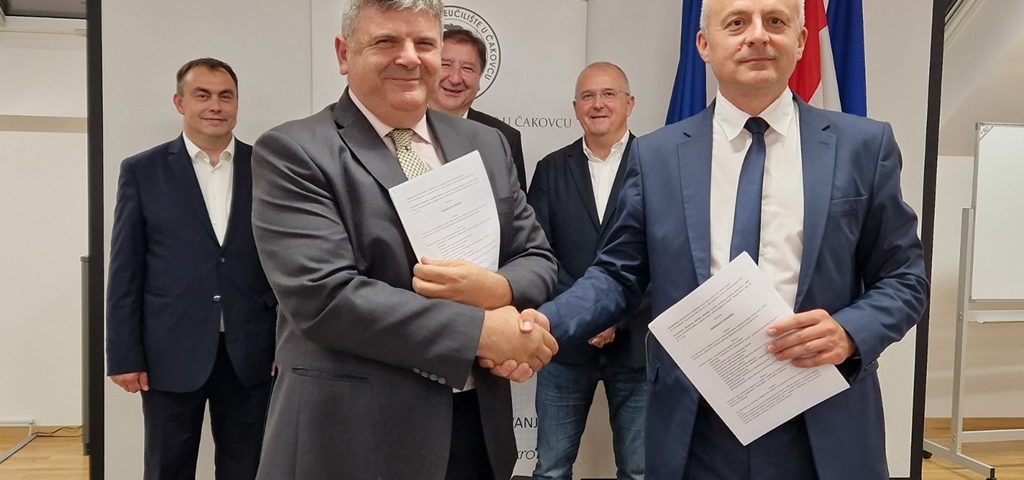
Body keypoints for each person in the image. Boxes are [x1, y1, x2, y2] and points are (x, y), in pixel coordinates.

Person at [526, 0, 929, 478]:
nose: (757, 35)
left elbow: (904, 278)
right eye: (736, 23)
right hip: (695, 428)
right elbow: (618, 275)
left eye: (775, 21)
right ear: (704, 44)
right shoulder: (656, 157)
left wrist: (849, 332)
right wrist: (544, 322)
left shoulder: (863, 146)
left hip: (823, 419)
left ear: (801, 40)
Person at [248, 1, 559, 479]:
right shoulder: (294, 152)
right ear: (344, 54)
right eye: (386, 41)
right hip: (353, 440)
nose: (409, 57)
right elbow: (326, 297)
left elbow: (535, 255)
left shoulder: (485, 143)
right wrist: (482, 332)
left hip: (475, 432)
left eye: (424, 43)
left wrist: (497, 290)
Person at [106, 57, 277, 480]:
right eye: (203, 95)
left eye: (225, 96)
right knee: (167, 467)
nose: (215, 106)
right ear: (180, 102)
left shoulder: (269, 168)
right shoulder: (142, 171)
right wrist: (123, 355)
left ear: (236, 104)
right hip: (169, 351)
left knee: (248, 467)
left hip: (252, 352)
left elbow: (284, 263)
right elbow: (125, 270)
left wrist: (285, 343)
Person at [527, 62, 648, 480]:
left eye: (609, 94)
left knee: (639, 471)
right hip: (565, 346)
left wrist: (615, 315)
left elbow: (665, 256)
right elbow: (538, 253)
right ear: (576, 107)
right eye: (588, 96)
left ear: (629, 103)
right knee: (551, 467)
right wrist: (585, 314)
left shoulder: (657, 163)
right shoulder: (550, 168)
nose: (598, 104)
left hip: (635, 345)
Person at [429, 27, 528, 192]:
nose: (455, 78)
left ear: (479, 80)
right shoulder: (399, 129)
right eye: (445, 65)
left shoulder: (503, 137)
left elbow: (515, 205)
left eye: (467, 69)